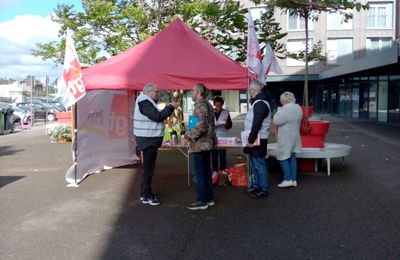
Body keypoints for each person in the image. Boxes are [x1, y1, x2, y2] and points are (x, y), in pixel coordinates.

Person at [133, 83, 179, 206]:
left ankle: (145, 194)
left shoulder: (145, 101)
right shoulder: (144, 101)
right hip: (148, 139)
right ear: (150, 92)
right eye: (157, 92)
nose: (158, 94)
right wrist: (170, 107)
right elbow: (157, 116)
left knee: (148, 169)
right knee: (148, 169)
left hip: (148, 139)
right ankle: (147, 195)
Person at [186, 83, 217, 210]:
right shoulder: (207, 104)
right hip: (206, 143)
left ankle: (202, 201)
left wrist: (189, 135)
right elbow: (195, 122)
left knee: (199, 174)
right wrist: (190, 129)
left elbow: (201, 126)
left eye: (193, 90)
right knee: (205, 172)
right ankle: (208, 199)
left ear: (198, 91)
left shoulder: (200, 105)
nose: (191, 92)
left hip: (199, 144)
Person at [244, 81, 271, 199]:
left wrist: (250, 140)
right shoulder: (258, 103)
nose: (250, 92)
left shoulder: (260, 103)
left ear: (254, 91)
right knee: (255, 164)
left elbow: (257, 123)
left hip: (258, 138)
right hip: (256, 138)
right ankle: (257, 185)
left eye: (250, 90)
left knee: (259, 164)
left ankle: (263, 188)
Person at [271, 91, 303, 188]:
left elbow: (276, 120)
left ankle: (288, 179)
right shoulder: (298, 108)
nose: (281, 103)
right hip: (295, 136)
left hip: (286, 137)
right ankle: (293, 179)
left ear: (285, 101)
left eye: (281, 101)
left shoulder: (285, 110)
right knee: (292, 157)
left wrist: (278, 111)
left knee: (283, 157)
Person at [212, 96, 232, 174]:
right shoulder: (211, 112)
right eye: (216, 105)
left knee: (222, 155)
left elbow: (230, 125)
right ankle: (215, 171)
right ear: (214, 105)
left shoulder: (226, 112)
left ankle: (223, 171)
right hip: (213, 136)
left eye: (219, 105)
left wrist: (227, 124)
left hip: (223, 136)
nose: (218, 107)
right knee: (214, 155)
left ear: (222, 105)